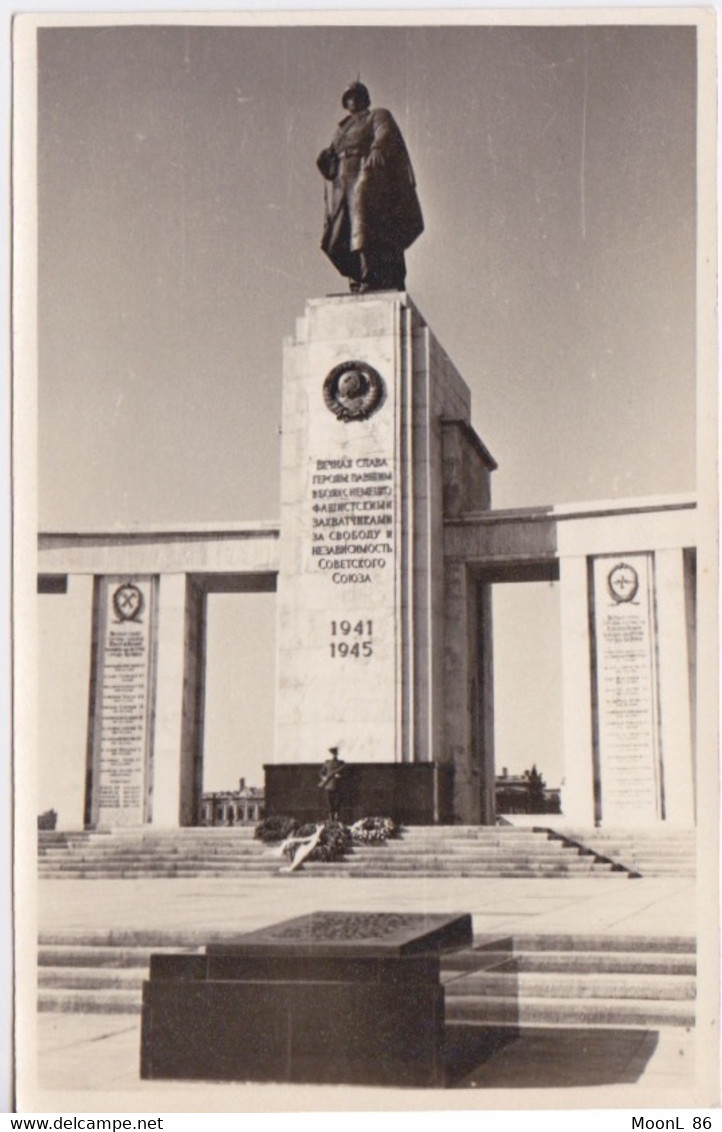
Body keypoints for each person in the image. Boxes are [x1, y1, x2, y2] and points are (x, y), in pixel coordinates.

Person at [317, 81, 424, 293]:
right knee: (338, 236)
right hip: (342, 181)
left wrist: (376, 148)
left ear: (365, 98)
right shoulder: (341, 130)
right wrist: (325, 159)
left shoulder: (377, 115)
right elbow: (331, 157)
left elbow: (385, 132)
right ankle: (356, 275)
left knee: (363, 227)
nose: (352, 100)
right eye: (349, 97)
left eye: (356, 95)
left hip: (367, 176)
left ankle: (369, 278)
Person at [318, 746, 345, 821]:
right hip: (328, 786)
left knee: (337, 803)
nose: (333, 755)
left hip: (337, 785)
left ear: (337, 754)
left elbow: (345, 774)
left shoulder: (341, 763)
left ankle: (337, 818)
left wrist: (340, 776)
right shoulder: (327, 763)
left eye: (335, 754)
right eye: (332, 754)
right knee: (329, 804)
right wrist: (324, 778)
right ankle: (331, 819)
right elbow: (321, 773)